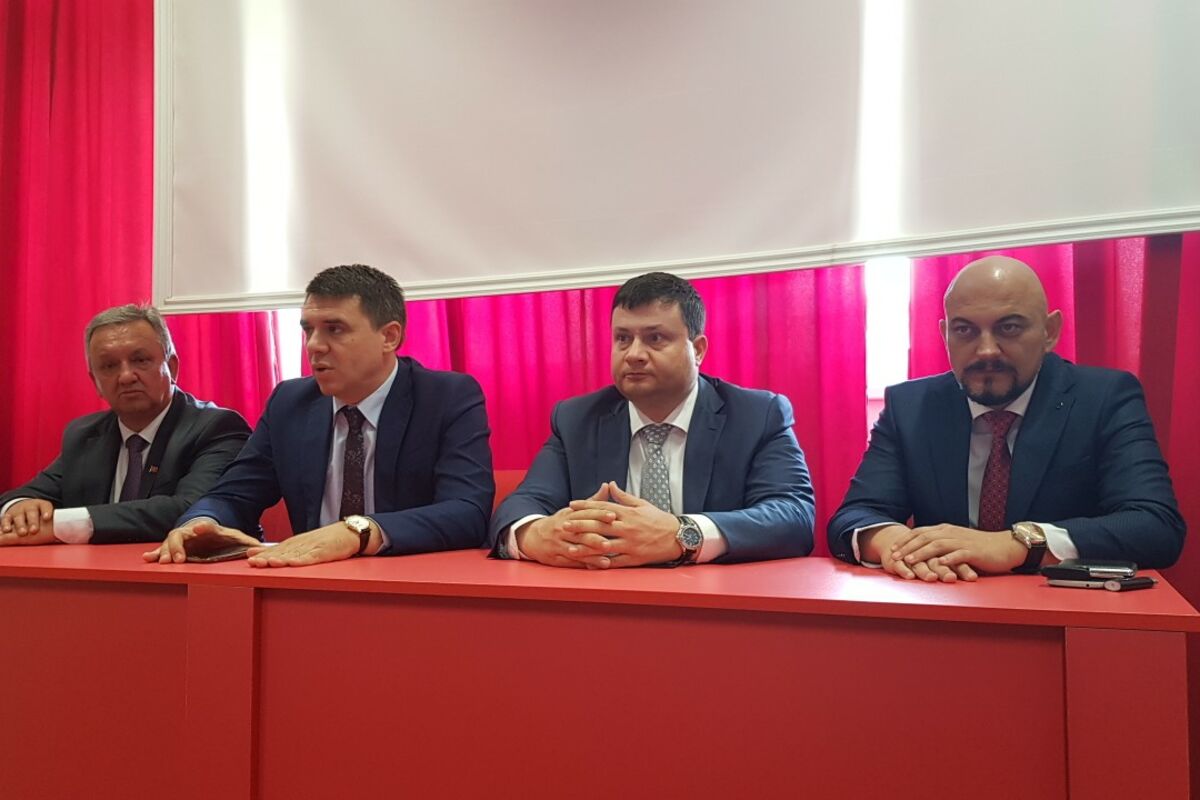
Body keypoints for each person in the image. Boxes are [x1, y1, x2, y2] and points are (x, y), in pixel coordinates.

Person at [828, 256, 1184, 581]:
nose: (986, 350)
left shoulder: (1103, 398)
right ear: (945, 334)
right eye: (964, 330)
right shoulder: (910, 406)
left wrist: (1015, 544)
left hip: (1063, 613)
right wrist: (899, 544)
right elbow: (855, 516)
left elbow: (1155, 526)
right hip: (946, 603)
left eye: (1009, 328)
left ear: (1050, 331)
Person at [146, 264, 494, 568]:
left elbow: (467, 512)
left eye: (334, 329)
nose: (314, 345)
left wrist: (357, 532)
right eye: (308, 330)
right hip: (312, 585)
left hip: (410, 585)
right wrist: (200, 523)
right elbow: (233, 495)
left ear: (389, 336)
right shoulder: (290, 403)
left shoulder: (446, 397)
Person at [489, 271, 814, 568]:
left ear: (698, 350)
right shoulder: (577, 419)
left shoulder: (756, 415)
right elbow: (522, 504)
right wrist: (535, 534)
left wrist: (682, 534)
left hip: (718, 600)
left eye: (655, 338)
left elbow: (794, 516)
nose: (634, 354)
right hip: (606, 596)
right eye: (622, 338)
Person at [0, 304, 251, 545]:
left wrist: (61, 525)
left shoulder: (216, 427)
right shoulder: (84, 435)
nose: (126, 376)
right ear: (95, 382)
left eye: (140, 360)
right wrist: (19, 508)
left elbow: (193, 510)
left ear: (172, 367)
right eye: (109, 366)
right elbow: (22, 496)